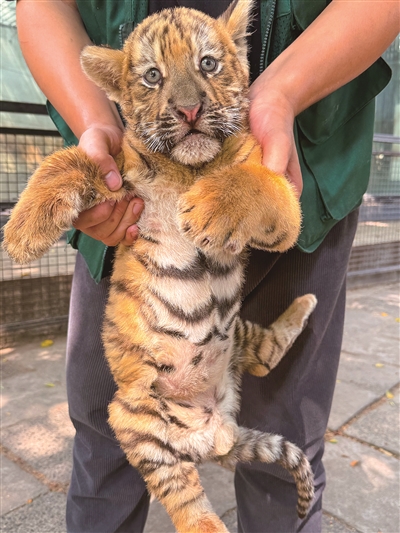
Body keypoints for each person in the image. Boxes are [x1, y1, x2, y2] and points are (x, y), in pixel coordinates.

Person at [13, 0, 399, 532]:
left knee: (284, 446)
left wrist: (281, 94)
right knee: (104, 438)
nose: (187, 102)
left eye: (208, 66)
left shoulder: (237, 133)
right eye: (154, 79)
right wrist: (93, 128)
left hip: (301, 150)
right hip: (134, 227)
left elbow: (283, 221)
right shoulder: (135, 134)